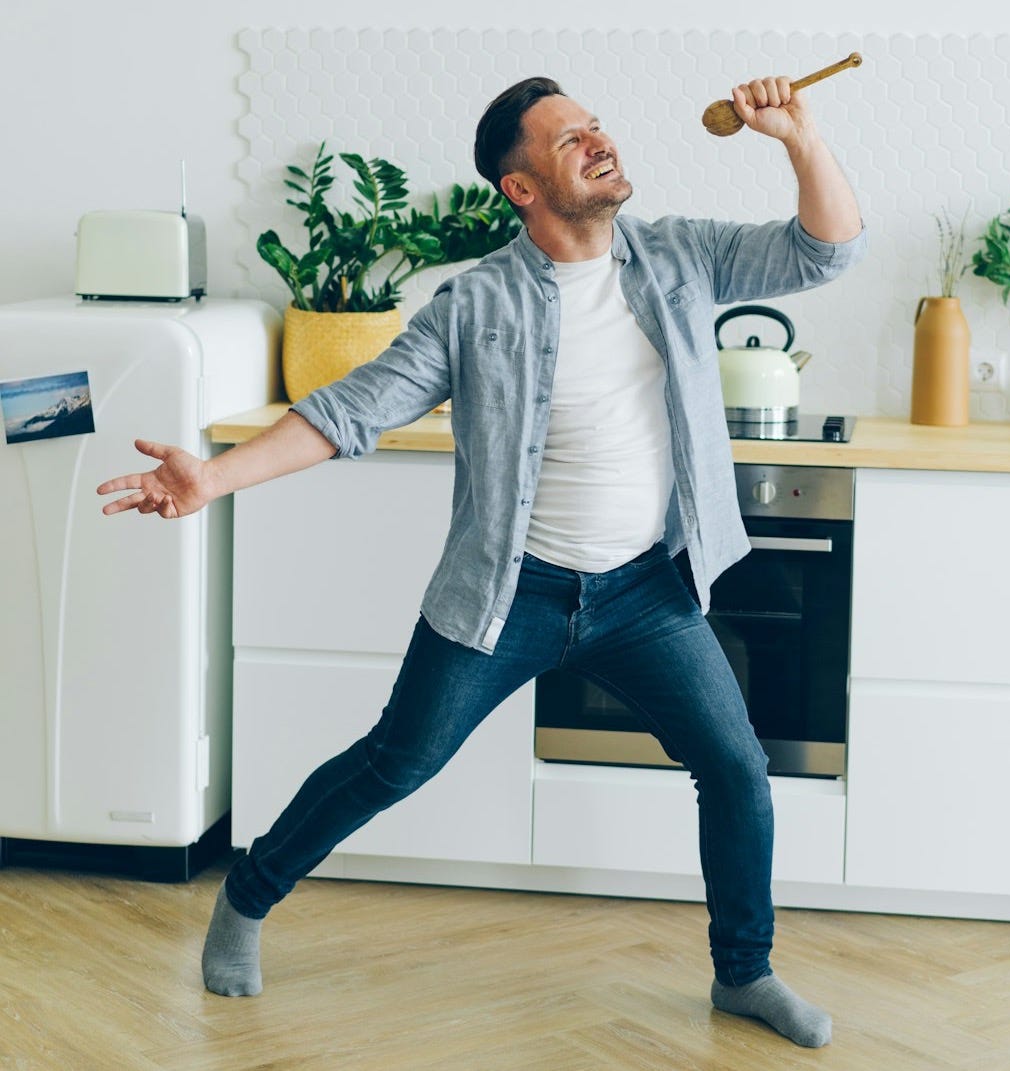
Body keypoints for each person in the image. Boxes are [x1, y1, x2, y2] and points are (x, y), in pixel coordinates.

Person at [98, 73, 864, 1048]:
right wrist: (213, 477)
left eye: (597, 127)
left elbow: (826, 250)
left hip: (645, 590)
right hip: (512, 597)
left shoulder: (681, 257)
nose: (600, 142)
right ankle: (246, 896)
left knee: (737, 767)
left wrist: (798, 136)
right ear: (522, 188)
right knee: (393, 762)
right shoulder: (477, 304)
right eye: (569, 140)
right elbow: (352, 408)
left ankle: (743, 975)